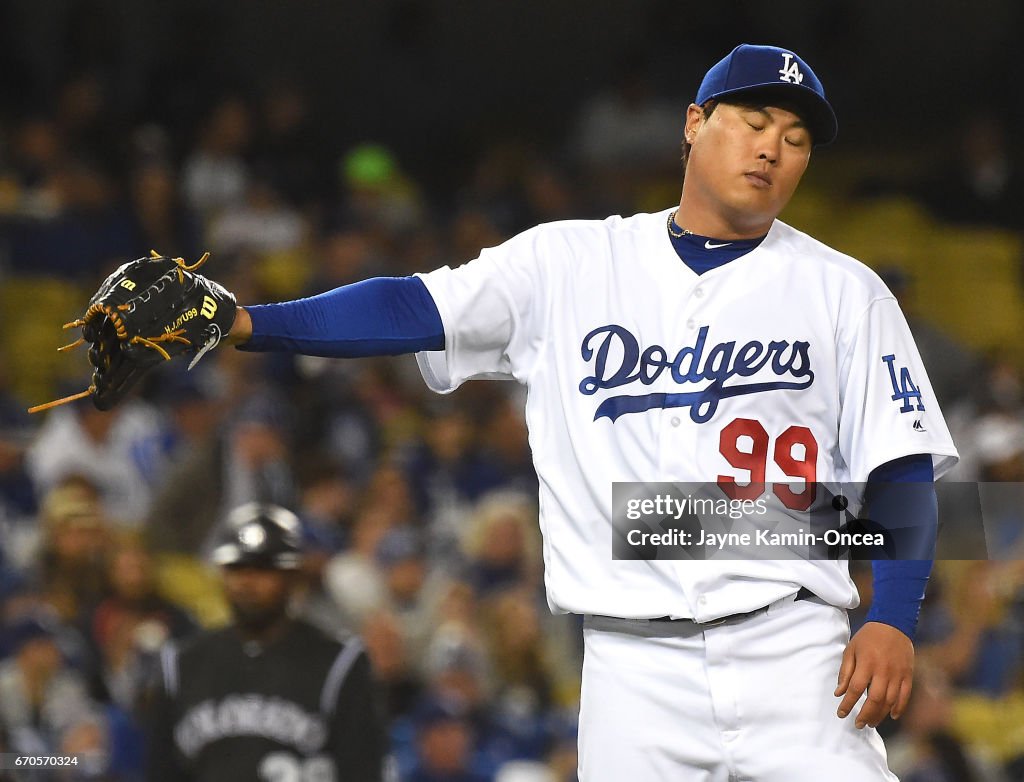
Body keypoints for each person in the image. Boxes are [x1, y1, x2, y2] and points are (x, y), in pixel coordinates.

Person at [124, 43, 954, 780]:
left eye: (798, 139)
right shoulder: (569, 262)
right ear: (695, 123)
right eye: (755, 120)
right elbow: (412, 308)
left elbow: (902, 466)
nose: (773, 147)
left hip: (795, 651)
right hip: (632, 668)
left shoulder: (844, 290)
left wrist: (893, 619)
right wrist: (246, 322)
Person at [144, 502, 389, 781]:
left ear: (292, 576)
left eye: (262, 569)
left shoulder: (337, 663)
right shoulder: (183, 664)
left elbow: (362, 770)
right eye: (237, 569)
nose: (247, 582)